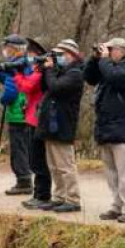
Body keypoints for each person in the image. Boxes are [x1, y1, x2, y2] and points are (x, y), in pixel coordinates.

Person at [84, 38, 125, 223]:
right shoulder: (107, 66)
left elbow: (114, 77)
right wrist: (95, 59)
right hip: (106, 126)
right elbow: (90, 77)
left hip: (123, 127)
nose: (107, 52)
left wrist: (104, 60)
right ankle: (117, 206)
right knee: (111, 171)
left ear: (122, 50)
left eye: (111, 49)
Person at [36, 39, 85, 213]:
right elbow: (45, 87)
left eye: (60, 54)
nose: (57, 58)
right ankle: (59, 196)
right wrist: (45, 70)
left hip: (63, 124)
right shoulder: (61, 71)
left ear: (70, 55)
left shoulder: (75, 73)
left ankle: (73, 198)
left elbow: (56, 87)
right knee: (53, 165)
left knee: (65, 165)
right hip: (51, 124)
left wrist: (49, 70)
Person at [14, 38, 52, 209]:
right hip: (31, 116)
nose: (27, 56)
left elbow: (27, 86)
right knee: (33, 159)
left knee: (39, 160)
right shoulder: (35, 69)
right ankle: (38, 193)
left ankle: (43, 195)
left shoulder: (41, 70)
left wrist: (17, 73)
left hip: (37, 119)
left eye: (30, 53)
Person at [0, 35, 33, 195]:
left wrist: (3, 100)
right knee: (24, 146)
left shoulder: (17, 66)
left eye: (7, 48)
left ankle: (23, 180)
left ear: (15, 50)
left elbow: (11, 90)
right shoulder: (25, 64)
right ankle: (25, 178)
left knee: (19, 149)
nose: (5, 51)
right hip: (26, 111)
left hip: (18, 113)